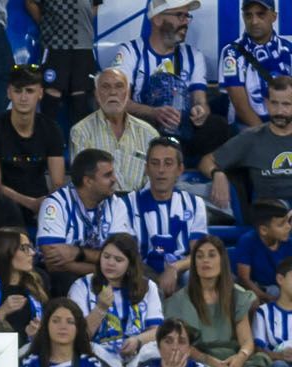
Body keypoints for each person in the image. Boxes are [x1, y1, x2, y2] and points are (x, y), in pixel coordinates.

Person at [113, 0, 229, 164]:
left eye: (187, 16)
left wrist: (201, 110)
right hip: (145, 128)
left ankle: (204, 167)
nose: (186, 22)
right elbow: (119, 102)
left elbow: (200, 99)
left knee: (218, 126)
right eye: (180, 15)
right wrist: (153, 112)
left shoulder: (193, 55)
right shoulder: (130, 52)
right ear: (158, 19)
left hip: (183, 128)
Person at [168, 234, 266, 367]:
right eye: (200, 256)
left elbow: (246, 341)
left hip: (230, 358)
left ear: (222, 260)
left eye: (212, 255)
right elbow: (180, 345)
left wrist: (240, 358)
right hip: (197, 360)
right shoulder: (179, 301)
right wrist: (211, 362)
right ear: (194, 263)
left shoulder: (236, 295)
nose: (206, 260)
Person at [71, 233, 163, 367]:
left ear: (130, 264)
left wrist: (138, 340)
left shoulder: (148, 286)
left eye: (118, 260)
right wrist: (100, 309)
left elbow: (157, 331)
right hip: (100, 356)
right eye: (106, 257)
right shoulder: (81, 286)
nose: (110, 263)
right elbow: (79, 337)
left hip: (139, 355)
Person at [38, 149, 128, 291]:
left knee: (141, 277)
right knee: (64, 279)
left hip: (99, 273)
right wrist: (102, 271)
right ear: (88, 181)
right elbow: (53, 263)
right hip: (67, 278)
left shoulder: (116, 204)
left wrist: (78, 253)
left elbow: (123, 255)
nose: (114, 179)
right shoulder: (56, 204)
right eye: (107, 175)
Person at [125, 137, 205, 296]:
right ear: (146, 168)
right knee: (141, 283)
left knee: (197, 278)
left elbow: (199, 252)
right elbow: (125, 253)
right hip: (142, 270)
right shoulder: (127, 203)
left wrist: (175, 268)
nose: (161, 170)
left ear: (180, 169)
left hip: (182, 270)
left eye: (168, 163)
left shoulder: (195, 204)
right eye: (155, 163)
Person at [0, 64, 65, 219]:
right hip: (4, 207)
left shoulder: (51, 129)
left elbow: (58, 184)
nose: (23, 97)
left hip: (42, 207)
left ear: (40, 93)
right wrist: (30, 203)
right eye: (18, 91)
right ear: (9, 93)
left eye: (29, 91)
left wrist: (46, 205)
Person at [208, 76, 292, 215]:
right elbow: (207, 161)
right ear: (266, 103)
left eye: (286, 104)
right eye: (274, 103)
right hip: (268, 214)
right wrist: (217, 173)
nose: (279, 111)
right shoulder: (251, 138)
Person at [72, 69, 156, 195]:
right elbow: (82, 183)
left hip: (138, 206)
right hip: (99, 205)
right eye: (105, 87)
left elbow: (153, 181)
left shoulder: (149, 133)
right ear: (96, 94)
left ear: (127, 93)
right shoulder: (81, 132)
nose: (113, 92)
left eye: (119, 86)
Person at [221, 0, 292, 132]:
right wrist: (268, 136)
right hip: (247, 128)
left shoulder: (289, 50)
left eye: (261, 14)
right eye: (248, 15)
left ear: (274, 16)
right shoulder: (232, 53)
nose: (254, 22)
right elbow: (240, 105)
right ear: (243, 17)